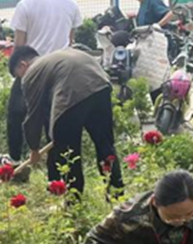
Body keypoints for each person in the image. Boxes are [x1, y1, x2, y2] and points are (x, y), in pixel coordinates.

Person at [0, 0, 82, 182]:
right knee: (54, 124)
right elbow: (70, 41)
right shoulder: (70, 2)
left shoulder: (26, 4)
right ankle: (59, 176)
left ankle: (15, 161)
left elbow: (20, 46)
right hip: (61, 71)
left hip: (33, 70)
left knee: (16, 115)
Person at [12, 46, 123, 195]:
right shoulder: (56, 57)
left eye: (18, 75)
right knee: (105, 145)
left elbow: (34, 116)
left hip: (72, 93)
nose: (21, 80)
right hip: (100, 86)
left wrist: (34, 150)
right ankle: (117, 195)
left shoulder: (31, 73)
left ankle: (74, 201)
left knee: (68, 153)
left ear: (23, 64)